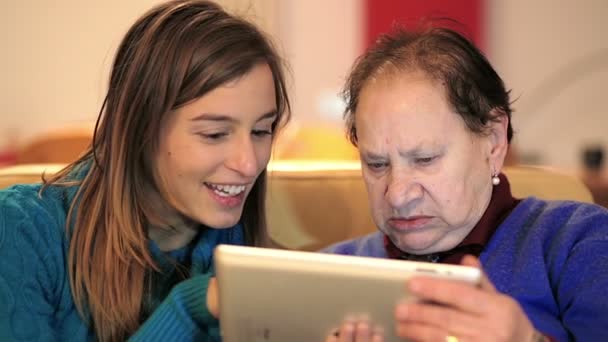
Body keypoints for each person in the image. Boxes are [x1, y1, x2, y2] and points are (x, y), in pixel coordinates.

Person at [0, 1, 290, 341]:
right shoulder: (22, 233)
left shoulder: (261, 266)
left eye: (261, 131)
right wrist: (188, 307)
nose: (249, 163)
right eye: (214, 134)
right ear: (141, 128)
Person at [324, 25, 608, 341]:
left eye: (425, 159)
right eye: (377, 164)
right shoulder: (327, 272)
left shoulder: (579, 242)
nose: (398, 195)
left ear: (494, 141)